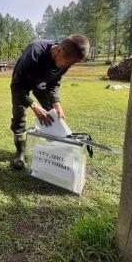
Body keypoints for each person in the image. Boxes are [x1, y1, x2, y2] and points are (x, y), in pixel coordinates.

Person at [10, 34, 89, 169]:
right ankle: (20, 152)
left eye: (71, 64)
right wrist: (33, 105)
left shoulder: (67, 58)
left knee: (53, 115)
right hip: (22, 84)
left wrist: (57, 103)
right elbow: (16, 86)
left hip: (42, 85)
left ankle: (56, 150)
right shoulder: (34, 52)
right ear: (59, 50)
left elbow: (54, 83)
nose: (68, 66)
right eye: (67, 63)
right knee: (19, 113)